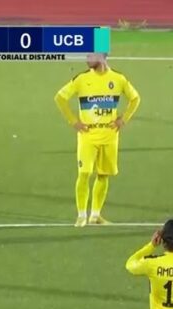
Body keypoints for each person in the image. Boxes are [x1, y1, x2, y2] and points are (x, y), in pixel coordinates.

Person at [54, 53, 141, 226]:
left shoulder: (118, 79)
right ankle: (81, 215)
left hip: (110, 135)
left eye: (90, 55)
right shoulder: (81, 79)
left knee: (103, 174)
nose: (87, 59)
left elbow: (135, 98)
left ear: (101, 56)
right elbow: (60, 98)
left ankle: (95, 215)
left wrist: (123, 119)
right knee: (84, 173)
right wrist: (73, 121)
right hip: (88, 135)